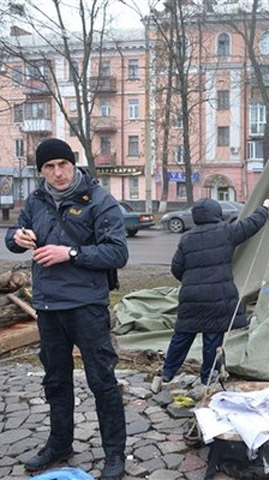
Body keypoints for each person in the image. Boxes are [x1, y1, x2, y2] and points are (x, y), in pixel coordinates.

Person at [5, 138, 129, 480]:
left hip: (87, 305)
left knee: (101, 380)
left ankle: (115, 454)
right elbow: (14, 234)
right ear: (41, 170)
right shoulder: (36, 199)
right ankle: (60, 444)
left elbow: (118, 253)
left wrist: (70, 253)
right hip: (47, 305)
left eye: (63, 165)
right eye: (49, 167)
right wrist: (17, 238)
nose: (57, 173)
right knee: (55, 380)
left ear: (73, 165)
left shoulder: (99, 200)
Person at [162, 197, 269, 385]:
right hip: (219, 296)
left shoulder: (187, 238)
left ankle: (167, 371)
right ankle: (208, 378)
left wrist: (191, 281)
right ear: (217, 213)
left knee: (182, 335)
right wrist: (264, 207)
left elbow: (176, 268)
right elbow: (252, 224)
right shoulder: (226, 231)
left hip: (191, 297)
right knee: (212, 338)